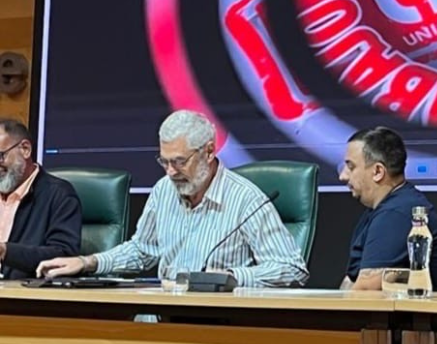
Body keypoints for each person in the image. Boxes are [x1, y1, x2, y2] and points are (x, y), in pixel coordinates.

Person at [37, 110, 308, 287]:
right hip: (162, 316)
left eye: (179, 162)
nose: (170, 172)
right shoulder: (163, 190)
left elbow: (291, 268)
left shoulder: (246, 200)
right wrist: (88, 262)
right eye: (164, 161)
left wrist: (233, 277)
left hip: (221, 322)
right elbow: (142, 251)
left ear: (209, 152)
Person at [338, 127, 437, 291]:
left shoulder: (397, 214)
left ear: (378, 172)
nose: (343, 176)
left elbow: (366, 291)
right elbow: (351, 280)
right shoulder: (380, 209)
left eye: (351, 167)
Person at [0, 119, 81, 279]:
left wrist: (5, 251)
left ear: (25, 149)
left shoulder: (60, 195)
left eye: (1, 156)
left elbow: (64, 256)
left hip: (23, 291)